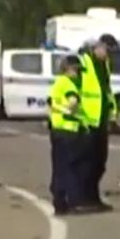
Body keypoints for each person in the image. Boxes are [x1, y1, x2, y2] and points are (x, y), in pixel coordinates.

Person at [77, 33, 118, 210]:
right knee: (87, 163)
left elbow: (107, 91)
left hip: (101, 120)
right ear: (99, 46)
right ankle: (82, 199)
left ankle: (94, 199)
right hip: (87, 122)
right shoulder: (84, 63)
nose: (108, 55)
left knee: (100, 163)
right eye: (107, 50)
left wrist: (112, 113)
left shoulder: (106, 65)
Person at [47, 55, 86, 215]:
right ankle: (72, 202)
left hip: (57, 130)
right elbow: (72, 103)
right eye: (77, 70)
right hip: (68, 131)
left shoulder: (56, 84)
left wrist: (56, 111)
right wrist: (70, 111)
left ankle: (59, 202)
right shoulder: (67, 84)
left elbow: (50, 105)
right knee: (71, 168)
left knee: (58, 168)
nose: (78, 73)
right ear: (69, 69)